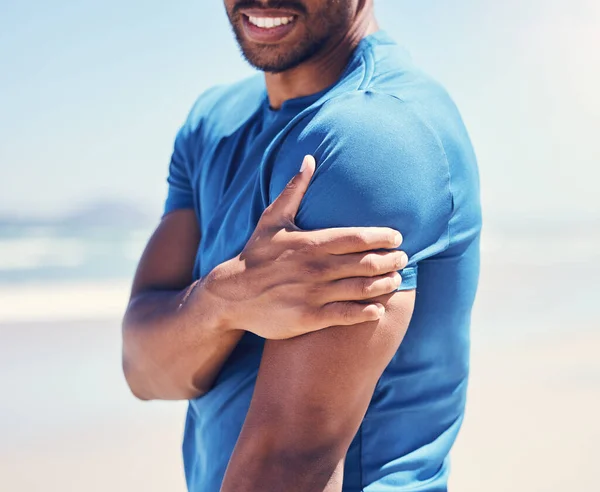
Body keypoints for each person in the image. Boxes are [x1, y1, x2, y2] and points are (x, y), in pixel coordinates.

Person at [121, 0, 482, 490]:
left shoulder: (369, 139)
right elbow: (144, 370)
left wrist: (205, 317)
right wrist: (220, 302)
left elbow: (290, 465)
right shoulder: (213, 121)